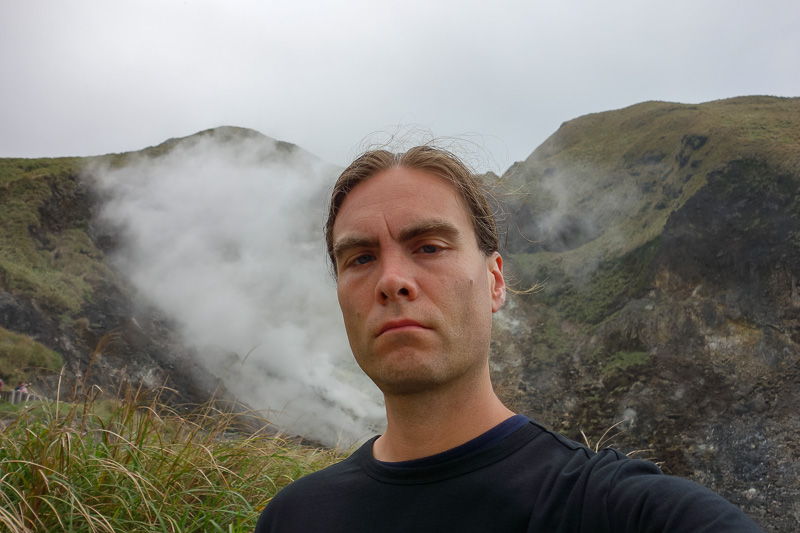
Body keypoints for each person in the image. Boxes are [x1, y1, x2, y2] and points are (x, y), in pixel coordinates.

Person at [255, 146, 763, 532]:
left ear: (495, 281)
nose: (392, 279)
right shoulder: (293, 517)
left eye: (429, 246)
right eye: (360, 258)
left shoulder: (615, 509)